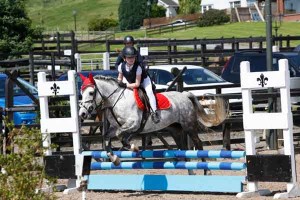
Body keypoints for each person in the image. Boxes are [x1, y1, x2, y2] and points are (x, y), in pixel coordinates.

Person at [117, 46, 160, 124]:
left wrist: (125, 85)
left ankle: (154, 112)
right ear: (124, 58)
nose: (131, 59)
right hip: (130, 80)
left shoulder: (138, 68)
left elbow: (137, 84)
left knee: (149, 92)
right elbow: (119, 78)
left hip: (143, 81)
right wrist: (119, 83)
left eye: (133, 57)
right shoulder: (121, 66)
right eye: (129, 57)